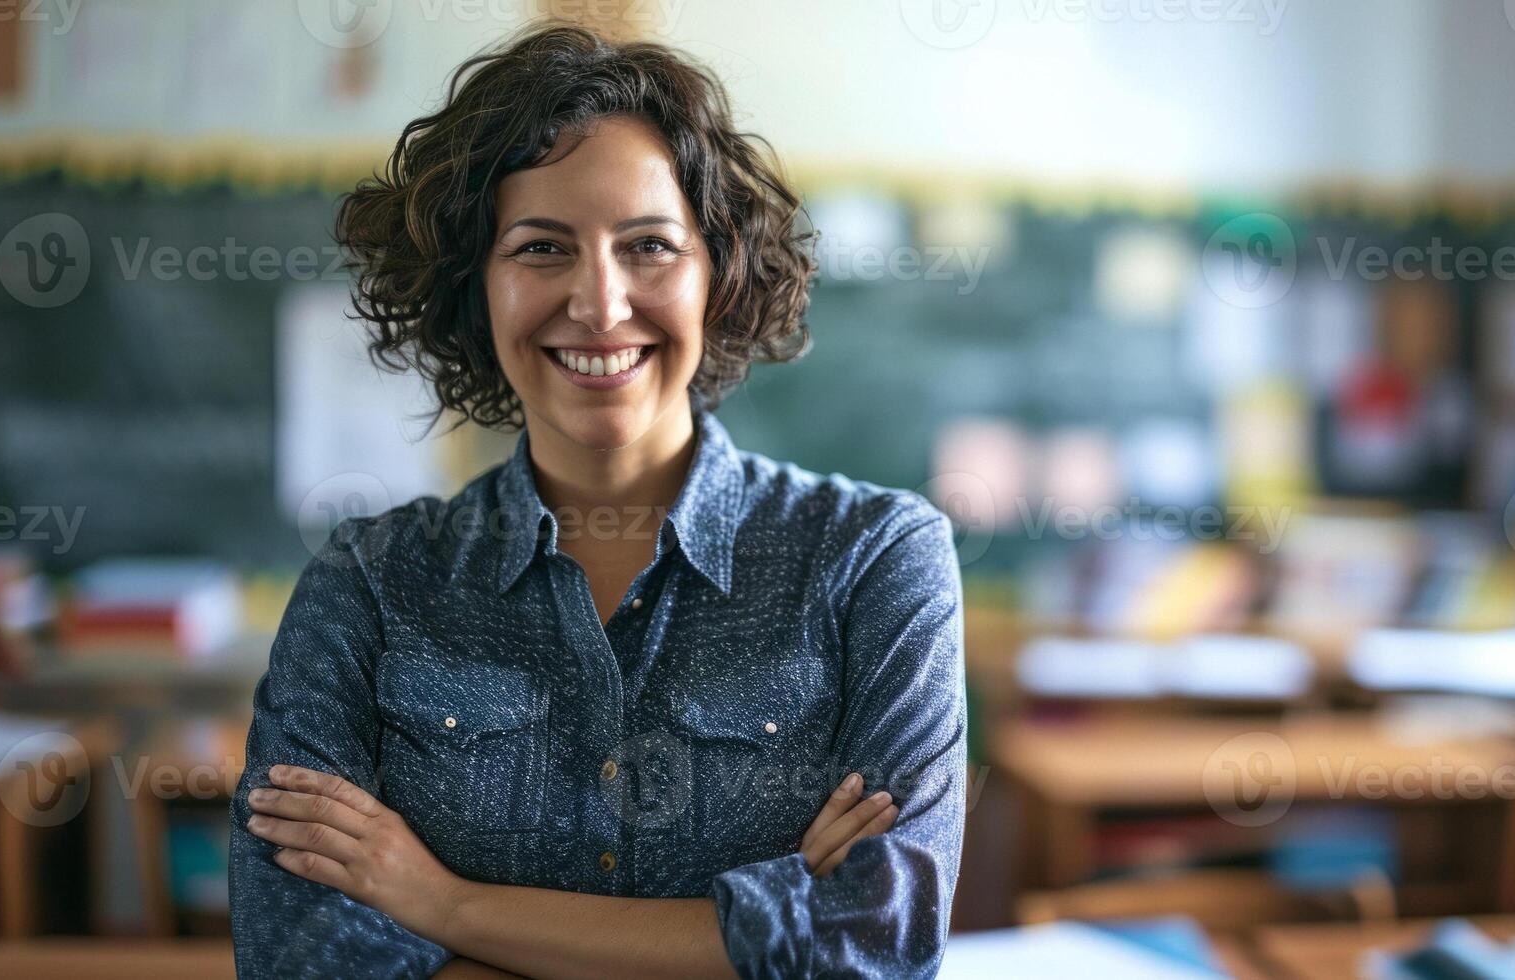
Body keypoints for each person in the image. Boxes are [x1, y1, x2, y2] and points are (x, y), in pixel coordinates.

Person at [227, 23, 967, 980]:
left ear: (718, 275)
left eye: (649, 246)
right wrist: (751, 942)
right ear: (474, 287)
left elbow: (876, 946)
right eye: (541, 248)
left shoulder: (875, 558)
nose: (601, 303)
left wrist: (445, 905)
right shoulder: (369, 583)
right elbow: (299, 956)